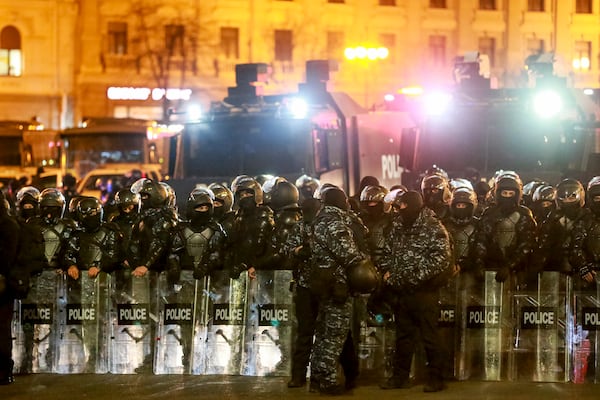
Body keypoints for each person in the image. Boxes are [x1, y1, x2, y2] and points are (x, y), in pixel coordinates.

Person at [379, 190, 452, 392]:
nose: (400, 211)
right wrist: (387, 273)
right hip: (401, 291)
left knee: (430, 336)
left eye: (403, 208)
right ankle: (399, 377)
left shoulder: (432, 226)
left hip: (423, 292)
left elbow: (440, 259)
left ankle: (436, 378)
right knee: (403, 336)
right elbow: (388, 251)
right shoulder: (398, 225)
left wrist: (412, 278)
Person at [308, 185, 366, 395]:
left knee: (323, 333)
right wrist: (364, 263)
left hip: (323, 283)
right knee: (334, 335)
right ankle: (328, 381)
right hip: (337, 285)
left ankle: (316, 378)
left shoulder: (320, 218)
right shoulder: (335, 222)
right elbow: (349, 253)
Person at [0, 191, 20, 385]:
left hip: (3, 284)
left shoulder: (7, 225)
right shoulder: (9, 223)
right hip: (4, 282)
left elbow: (8, 256)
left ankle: (4, 370)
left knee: (2, 328)